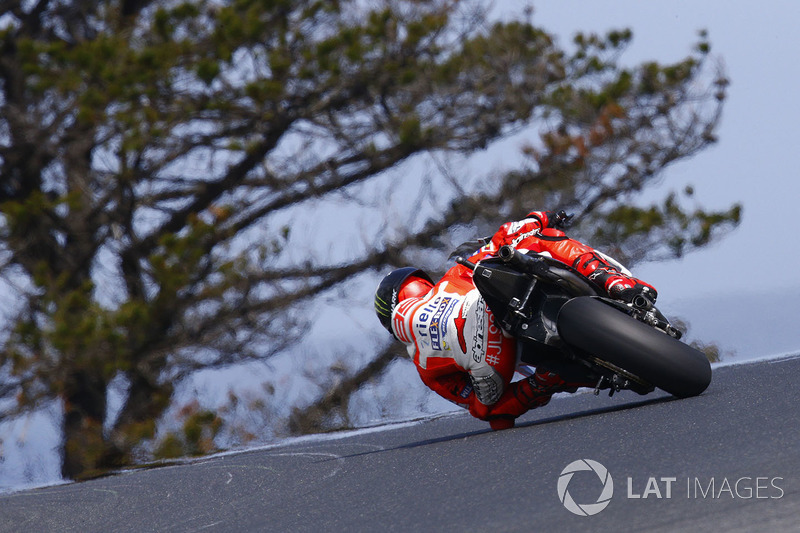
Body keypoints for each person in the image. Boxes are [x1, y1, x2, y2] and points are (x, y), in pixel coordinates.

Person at [374, 210, 657, 430]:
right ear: (419, 285)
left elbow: (490, 413)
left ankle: (568, 373)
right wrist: (541, 217)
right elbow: (506, 235)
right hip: (506, 333)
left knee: (543, 381)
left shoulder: (426, 369)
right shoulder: (452, 277)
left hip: (509, 358)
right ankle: (613, 281)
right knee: (543, 238)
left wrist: (536, 387)